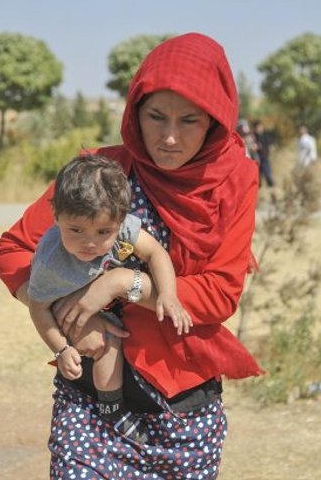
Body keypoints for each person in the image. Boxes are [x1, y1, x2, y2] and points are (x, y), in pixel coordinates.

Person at [0, 33, 262, 478]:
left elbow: (219, 294)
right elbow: (12, 251)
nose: (169, 137)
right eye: (155, 116)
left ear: (215, 121)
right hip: (89, 397)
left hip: (183, 410)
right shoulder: (99, 172)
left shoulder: (234, 182)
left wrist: (120, 284)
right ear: (134, 110)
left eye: (189, 121)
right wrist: (61, 307)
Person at [26, 155, 193, 444]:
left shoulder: (124, 227)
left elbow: (155, 253)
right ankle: (112, 409)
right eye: (75, 230)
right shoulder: (50, 261)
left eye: (103, 232)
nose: (89, 243)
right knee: (107, 340)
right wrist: (61, 348)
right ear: (56, 217)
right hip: (70, 313)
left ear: (120, 219)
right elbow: (38, 307)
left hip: (115, 302)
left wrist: (168, 293)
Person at [253, 119, 275, 188]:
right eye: (257, 127)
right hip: (256, 160)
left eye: (260, 127)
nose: (259, 129)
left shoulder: (265, 136)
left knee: (269, 176)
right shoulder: (253, 137)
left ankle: (272, 190)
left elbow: (270, 146)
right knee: (258, 179)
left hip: (265, 159)